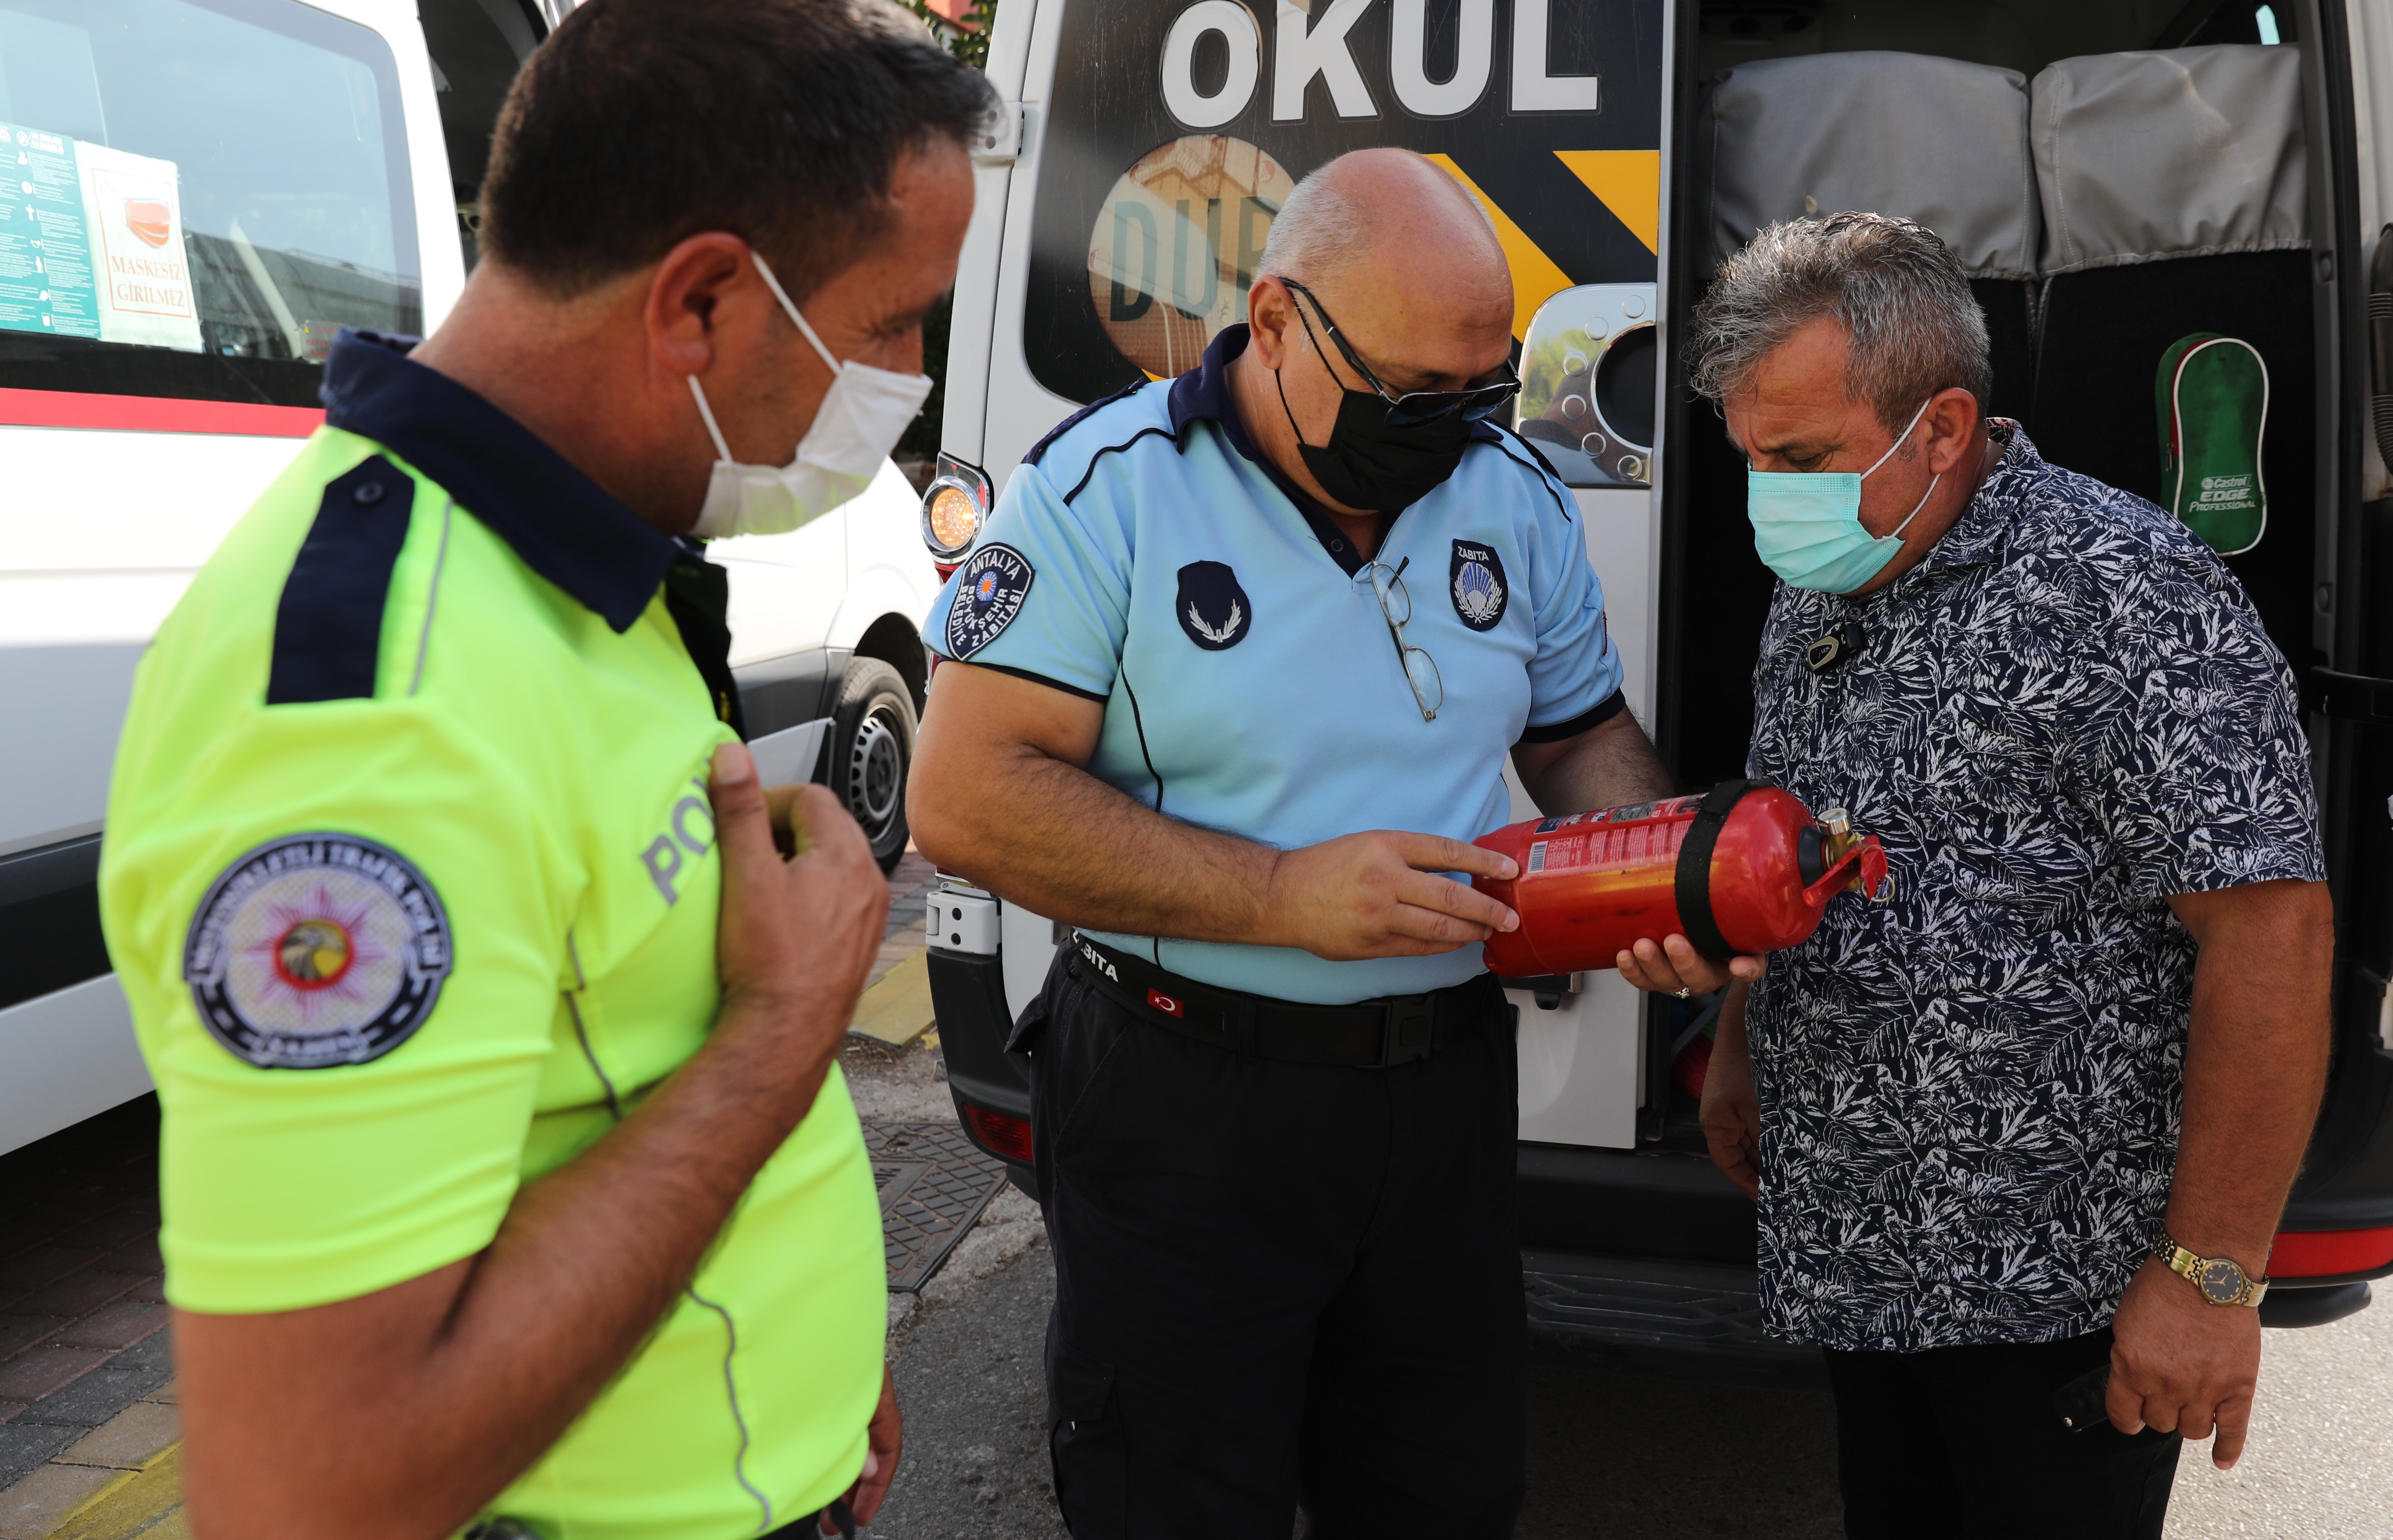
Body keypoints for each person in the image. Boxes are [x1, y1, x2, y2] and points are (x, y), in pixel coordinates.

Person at [94, 4, 990, 1536]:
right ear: (702, 298)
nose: (911, 378)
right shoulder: (368, 720)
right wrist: (785, 1028)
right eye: (897, 321)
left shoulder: (573, 550)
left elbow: (609, 1070)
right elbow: (313, 1488)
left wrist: (809, 1373)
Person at [906, 148, 1755, 1538]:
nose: (1450, 427)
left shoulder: (1510, 494)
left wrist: (1646, 869)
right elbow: (964, 798)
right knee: (1176, 1500)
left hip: (1438, 1106)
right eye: (1413, 393)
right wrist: (1281, 895)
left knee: (1439, 1493)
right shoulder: (1105, 491)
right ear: (1281, 318)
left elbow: (1577, 737)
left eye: (1480, 388)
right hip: (1182, 1099)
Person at [1682, 213, 2334, 1539]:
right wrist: (1741, 1039)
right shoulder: (1825, 584)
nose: (1768, 496)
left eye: (1802, 457)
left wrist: (2207, 1282)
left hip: (2052, 1293)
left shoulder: (2123, 596)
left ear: (1942, 427)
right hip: (1861, 1253)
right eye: (1749, 456)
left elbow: (2273, 933)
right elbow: (1805, 841)